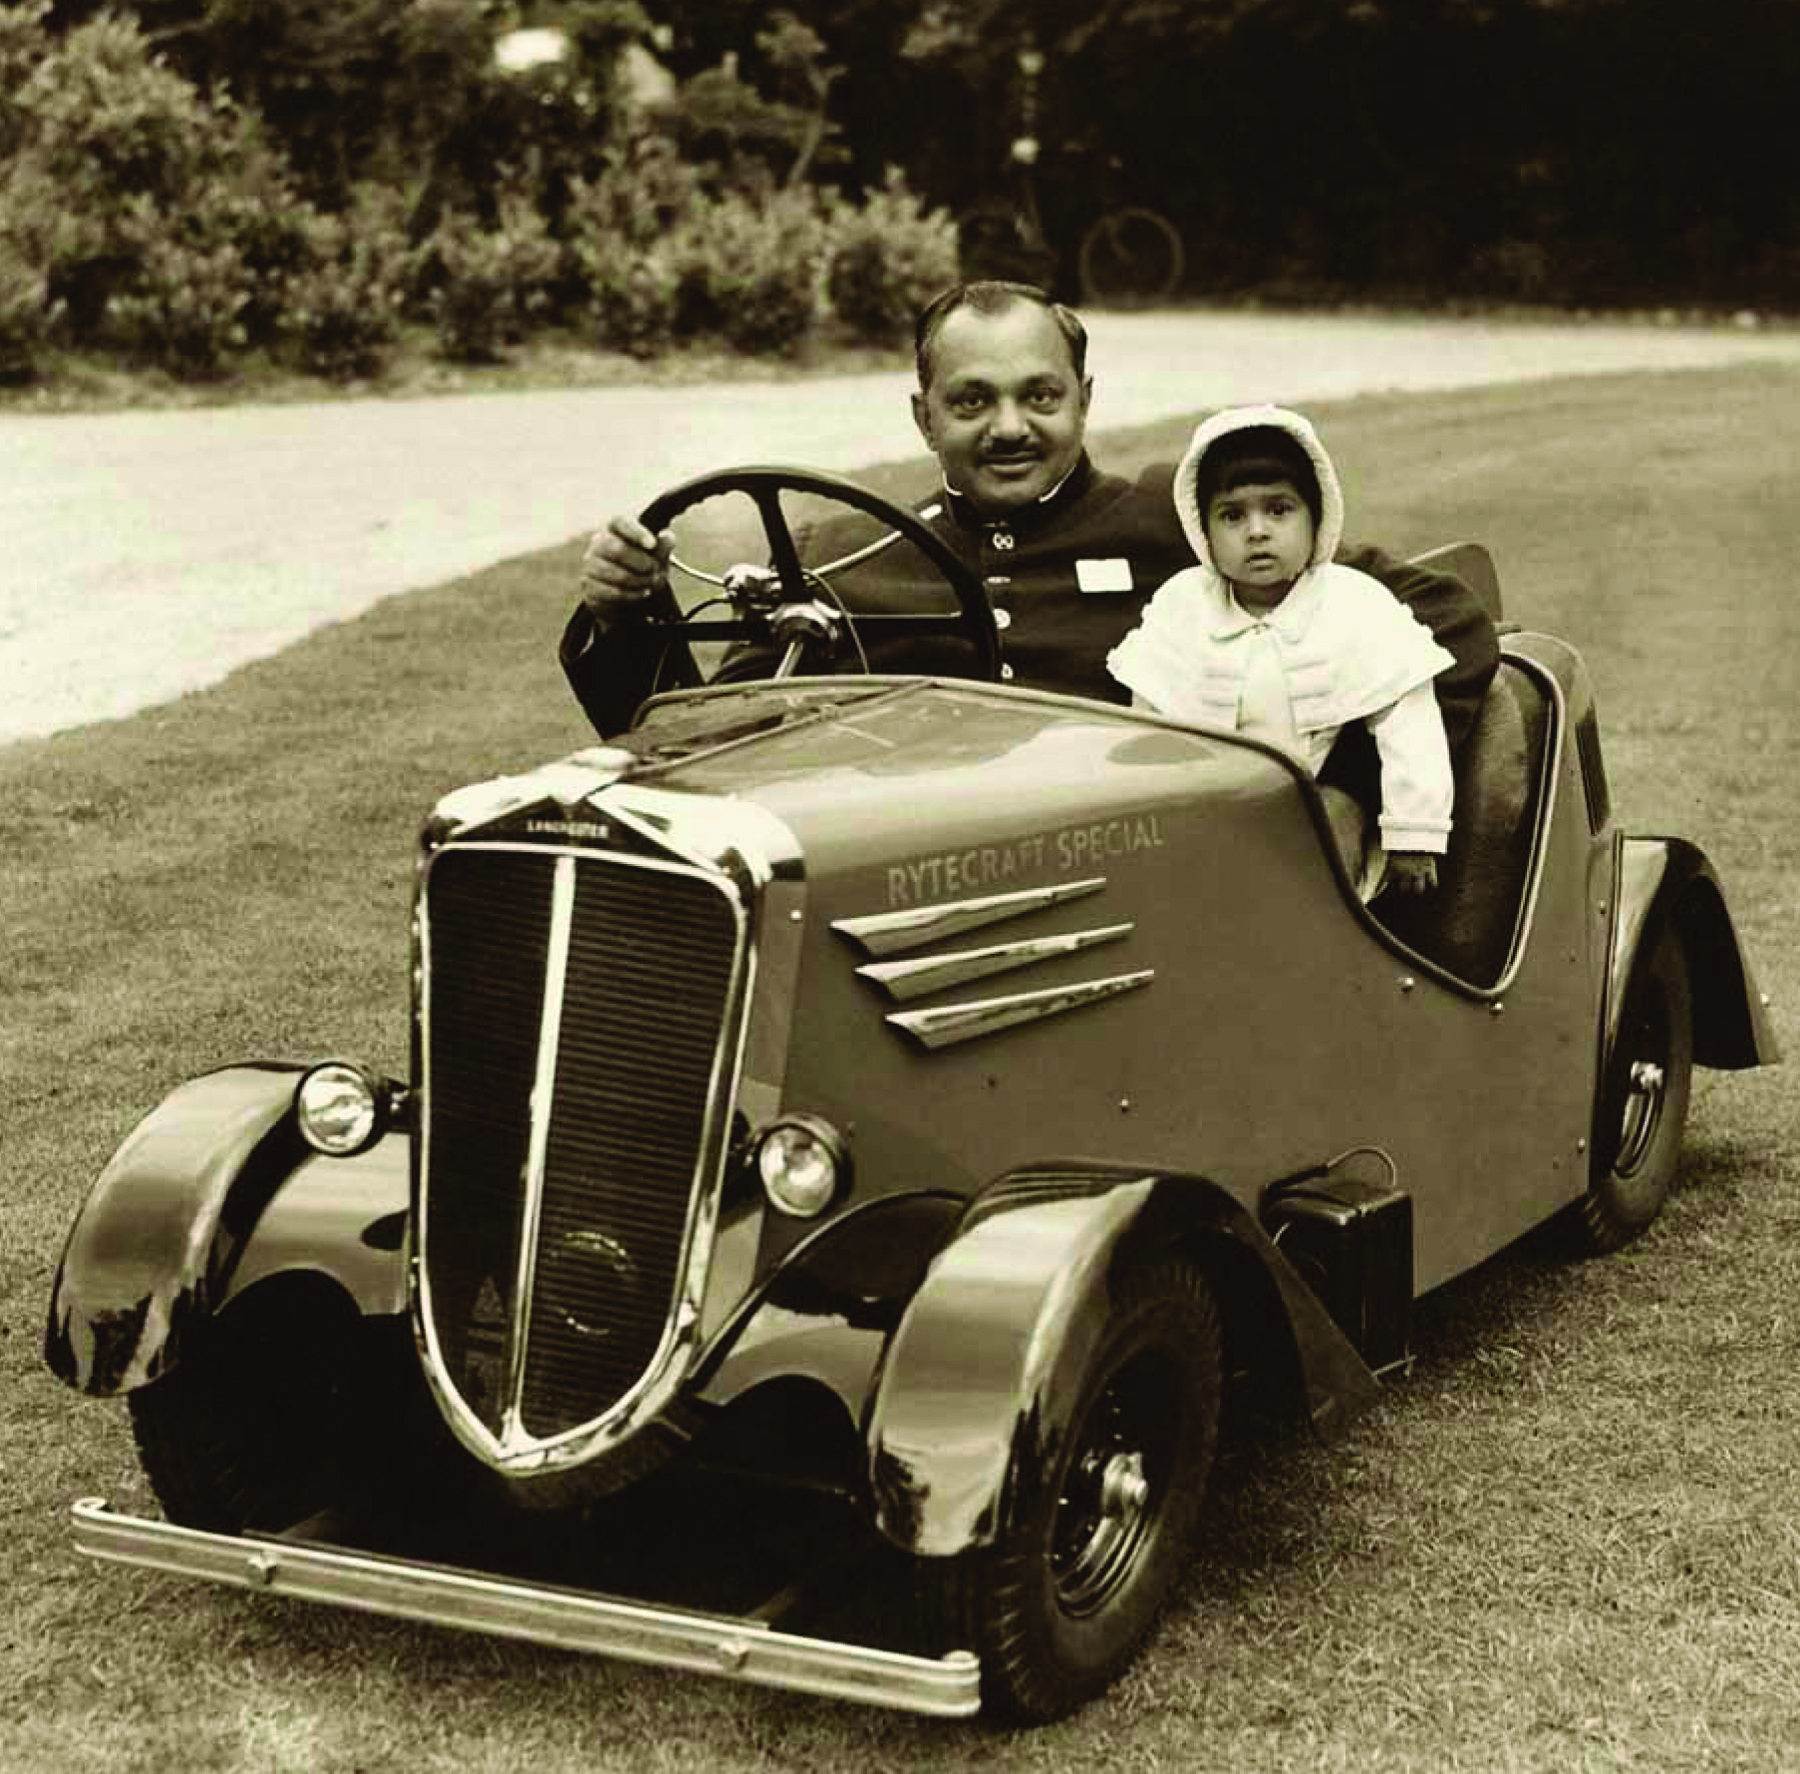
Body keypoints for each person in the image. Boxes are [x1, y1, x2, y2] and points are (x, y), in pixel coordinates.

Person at [561, 281, 1498, 761]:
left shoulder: (1182, 529)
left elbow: (1447, 623)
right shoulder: (847, 554)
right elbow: (708, 744)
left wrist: (1322, 782)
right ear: (924, 417)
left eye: (1040, 396)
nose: (1011, 429)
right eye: (972, 402)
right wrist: (629, 612)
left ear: (1084, 402)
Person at [1108, 405, 1453, 896]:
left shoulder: (1354, 603)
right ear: (1203, 530)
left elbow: (1409, 725)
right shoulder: (1182, 606)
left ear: (1317, 517)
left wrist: (1414, 834)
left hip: (1316, 826)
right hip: (1203, 824)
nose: (1257, 532)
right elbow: (1147, 724)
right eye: (1232, 515)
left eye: (1279, 510)